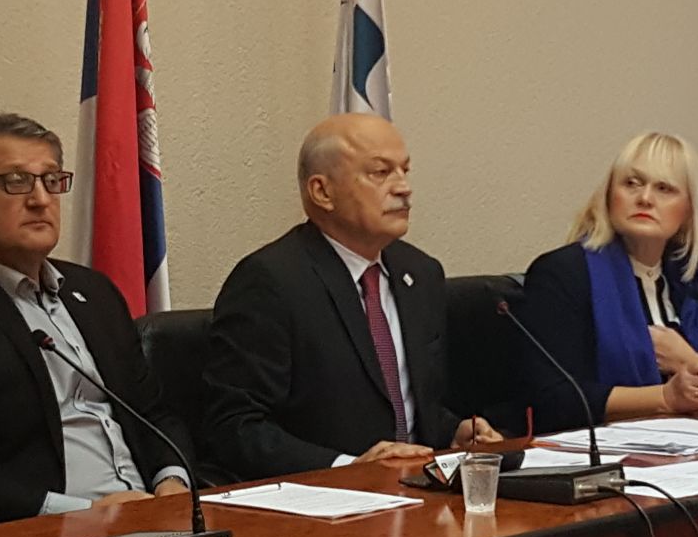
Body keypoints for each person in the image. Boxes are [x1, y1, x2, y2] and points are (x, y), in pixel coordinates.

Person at [0, 113, 193, 528]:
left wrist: (172, 482)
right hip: (45, 531)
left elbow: (153, 413)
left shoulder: (94, 292)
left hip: (151, 515)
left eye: (51, 180)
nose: (41, 199)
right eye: (16, 181)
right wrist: (84, 513)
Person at [204, 113, 502, 479]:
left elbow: (406, 408)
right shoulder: (271, 281)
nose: (404, 187)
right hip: (327, 497)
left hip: (421, 489)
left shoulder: (421, 273)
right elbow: (234, 426)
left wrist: (454, 431)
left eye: (405, 170)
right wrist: (347, 466)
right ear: (322, 192)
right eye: (381, 172)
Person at [519, 132, 698, 434]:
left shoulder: (696, 282)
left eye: (664, 188)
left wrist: (689, 360)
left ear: (687, 211)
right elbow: (554, 399)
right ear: (608, 196)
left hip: (689, 441)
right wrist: (665, 398)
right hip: (591, 446)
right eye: (632, 183)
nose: (645, 198)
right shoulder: (563, 274)